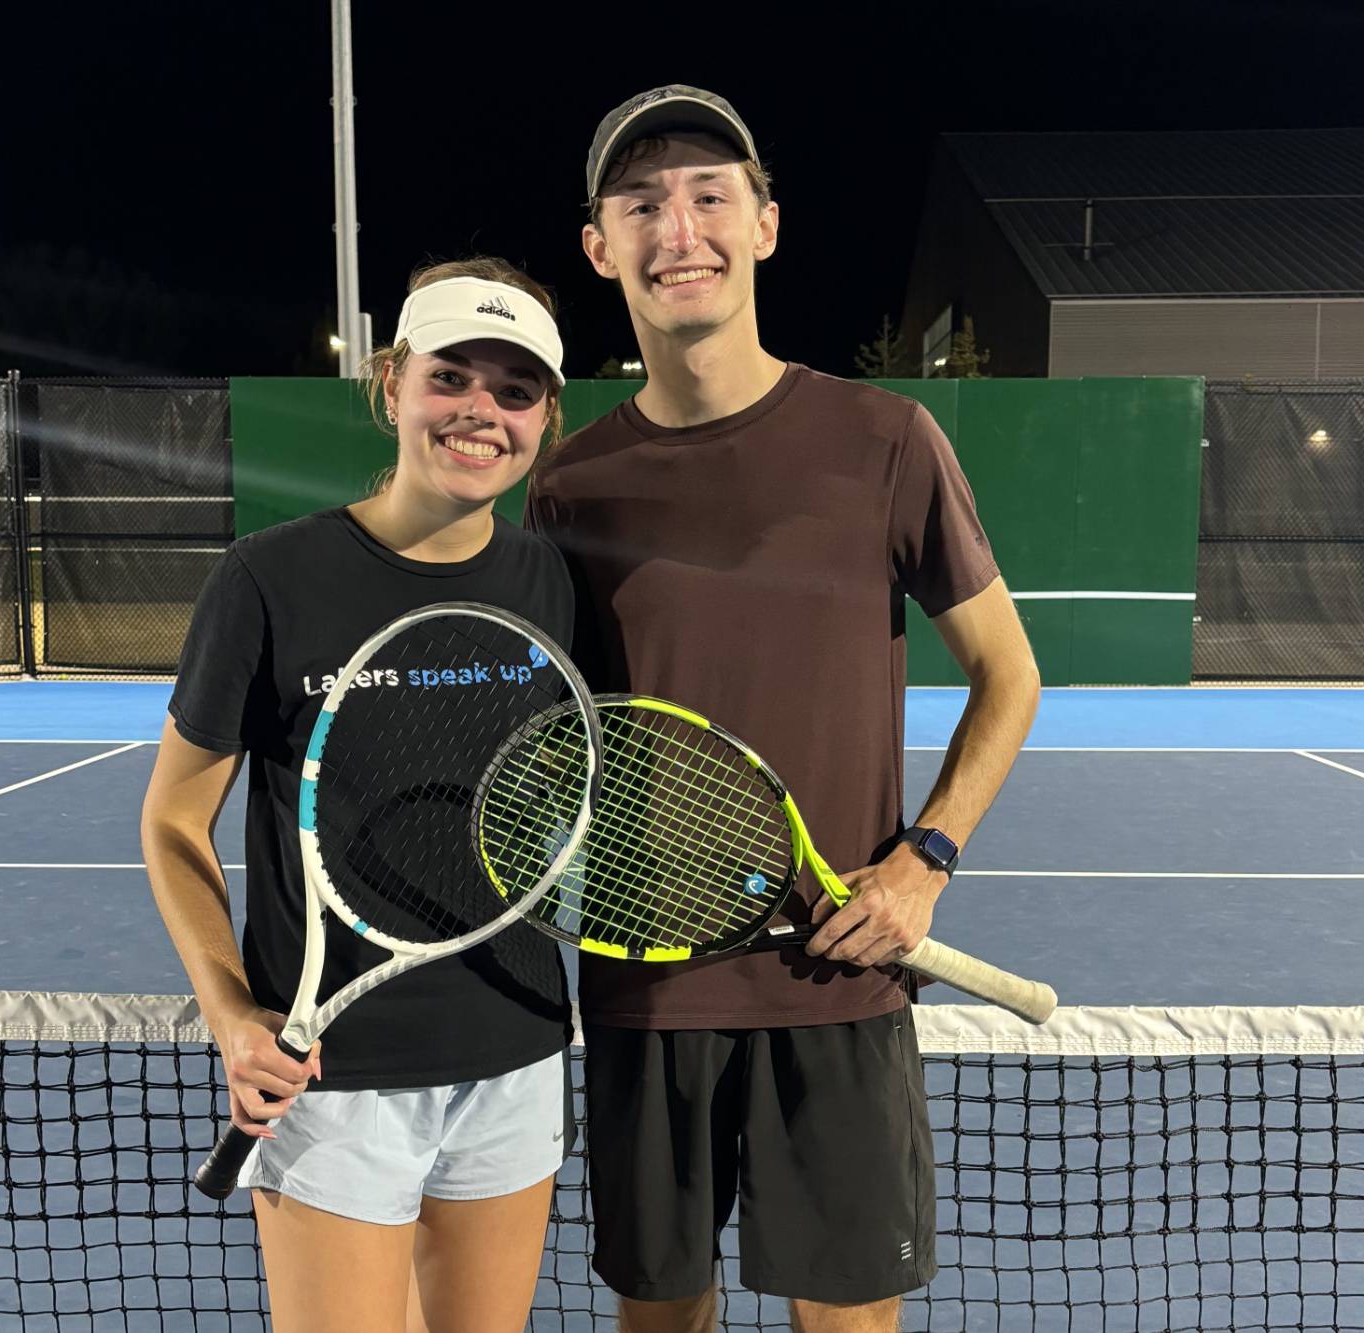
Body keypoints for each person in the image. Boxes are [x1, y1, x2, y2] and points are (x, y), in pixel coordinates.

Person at [524, 87, 1043, 1332]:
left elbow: (1006, 675)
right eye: (641, 203)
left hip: (839, 983)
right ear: (600, 248)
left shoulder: (885, 439)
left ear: (765, 224)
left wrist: (923, 860)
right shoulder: (565, 484)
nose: (678, 228)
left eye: (710, 195)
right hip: (644, 994)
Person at [143, 258, 574, 1333]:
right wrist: (229, 1012)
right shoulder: (267, 579)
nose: (480, 411)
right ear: (391, 384)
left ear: (544, 418)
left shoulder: (552, 584)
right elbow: (170, 819)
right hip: (333, 1076)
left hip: (514, 1049)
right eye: (451, 376)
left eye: (514, 389)